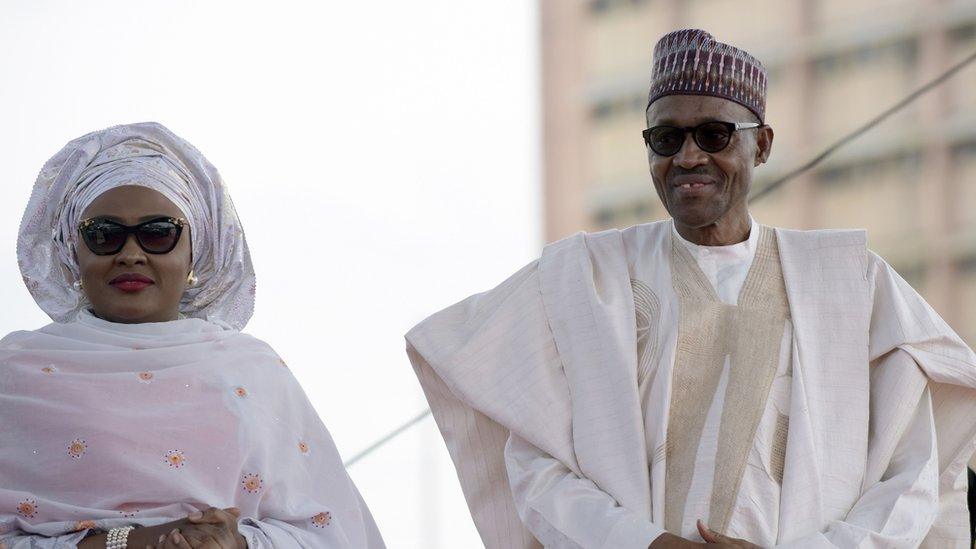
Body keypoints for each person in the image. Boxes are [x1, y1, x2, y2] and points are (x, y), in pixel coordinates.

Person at [406, 29, 976, 548]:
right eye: (666, 137)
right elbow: (535, 466)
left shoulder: (852, 282)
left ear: (763, 144)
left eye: (714, 133)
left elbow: (911, 476)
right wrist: (646, 544)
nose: (689, 157)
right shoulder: (585, 279)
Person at [0, 122, 385, 548]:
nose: (131, 254)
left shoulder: (250, 372)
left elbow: (332, 533)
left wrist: (233, 542)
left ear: (195, 252)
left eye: (158, 233)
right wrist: (132, 542)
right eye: (104, 234)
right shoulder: (15, 372)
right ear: (74, 253)